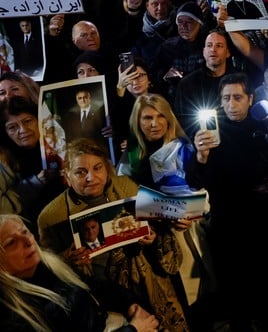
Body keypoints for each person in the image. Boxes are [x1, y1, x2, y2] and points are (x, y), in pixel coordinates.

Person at [37, 139, 190, 330]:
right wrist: (67, 259)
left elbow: (158, 225)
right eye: (80, 172)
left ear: (107, 169)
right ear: (67, 175)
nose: (91, 178)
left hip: (149, 287)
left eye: (97, 168)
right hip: (105, 302)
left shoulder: (127, 187)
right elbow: (46, 273)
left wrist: (153, 238)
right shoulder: (51, 217)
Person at [186, 73, 268, 330]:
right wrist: (201, 155)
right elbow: (195, 180)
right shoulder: (209, 134)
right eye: (226, 98)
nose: (231, 104)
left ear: (250, 99)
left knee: (266, 284)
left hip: (262, 220)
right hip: (227, 222)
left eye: (237, 97)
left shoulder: (266, 127)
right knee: (233, 289)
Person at [0, 214, 160, 331]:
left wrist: (129, 304)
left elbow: (92, 287)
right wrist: (134, 329)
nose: (28, 242)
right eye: (12, 243)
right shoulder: (11, 314)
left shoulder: (49, 266)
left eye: (25, 232)